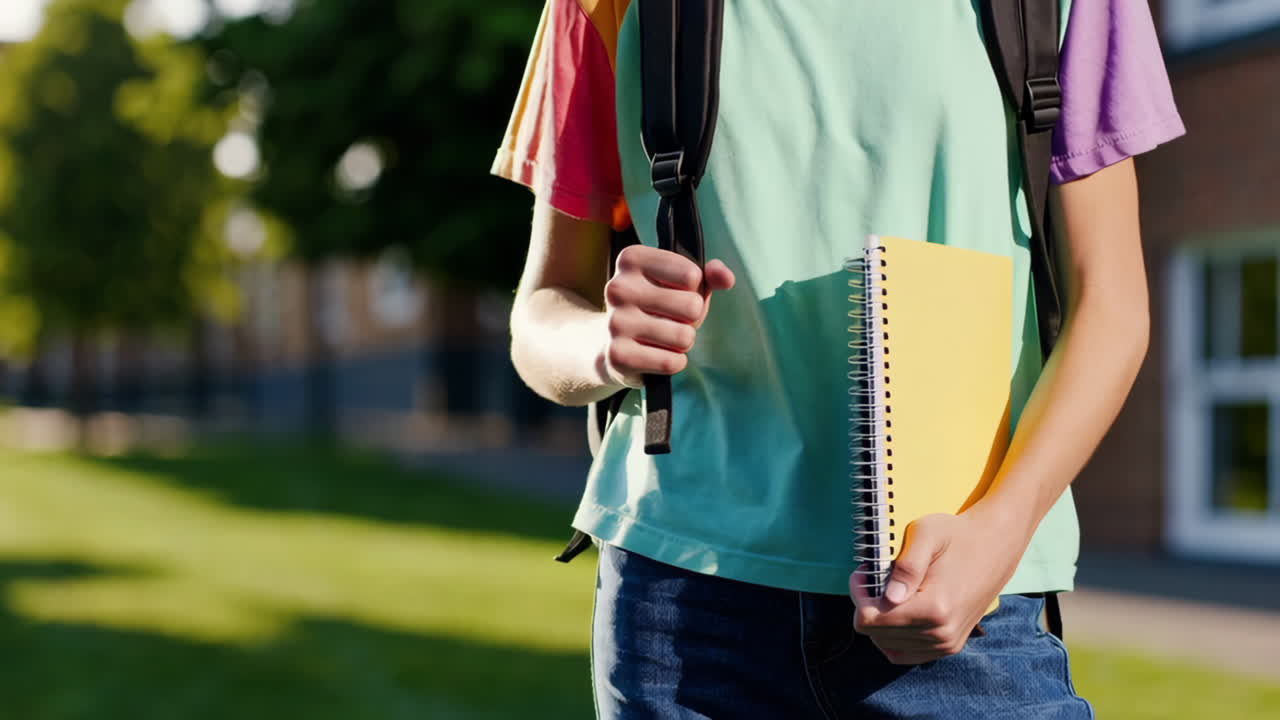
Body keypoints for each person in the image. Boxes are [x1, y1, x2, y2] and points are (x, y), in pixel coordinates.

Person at [492, 1, 1185, 717]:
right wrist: (606, 342)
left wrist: (1000, 534)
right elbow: (543, 311)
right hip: (683, 615)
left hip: (967, 592)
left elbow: (1112, 305)